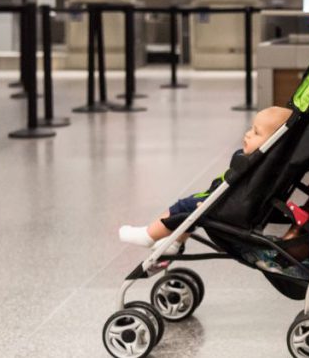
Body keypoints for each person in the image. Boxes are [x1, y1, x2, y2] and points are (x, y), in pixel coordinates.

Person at [118, 106, 296, 257]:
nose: (248, 134)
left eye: (256, 132)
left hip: (228, 210)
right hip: (235, 205)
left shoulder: (256, 167)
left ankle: (149, 235)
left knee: (185, 208)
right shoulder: (269, 167)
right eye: (251, 128)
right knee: (192, 211)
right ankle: (174, 243)